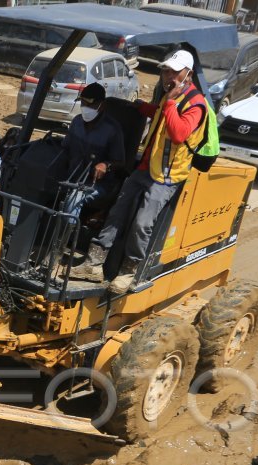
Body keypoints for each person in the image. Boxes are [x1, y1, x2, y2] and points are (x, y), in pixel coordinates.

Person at [75, 50, 208, 292]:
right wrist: (142, 108)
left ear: (188, 74)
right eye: (166, 71)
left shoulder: (195, 104)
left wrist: (167, 103)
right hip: (145, 168)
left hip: (165, 178)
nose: (168, 76)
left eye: (174, 72)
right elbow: (159, 116)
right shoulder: (171, 97)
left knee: (142, 223)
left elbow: (178, 134)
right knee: (116, 213)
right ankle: (94, 264)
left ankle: (129, 272)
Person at [59, 83, 125, 269]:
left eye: (90, 104)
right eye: (83, 103)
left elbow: (121, 163)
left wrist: (106, 164)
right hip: (73, 178)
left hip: (98, 185)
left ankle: (59, 248)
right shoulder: (77, 122)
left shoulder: (112, 130)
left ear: (101, 106)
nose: (85, 108)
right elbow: (65, 149)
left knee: (74, 199)